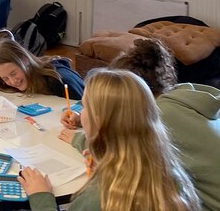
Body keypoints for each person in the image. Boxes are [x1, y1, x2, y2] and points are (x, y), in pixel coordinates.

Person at [60, 38, 220, 211]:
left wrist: (79, 138)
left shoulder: (159, 116)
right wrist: (87, 117)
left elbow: (120, 145)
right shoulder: (179, 100)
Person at [20, 69, 200, 211]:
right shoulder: (173, 175)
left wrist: (41, 197)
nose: (80, 113)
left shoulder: (97, 198)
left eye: (84, 106)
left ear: (99, 121)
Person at [0, 39, 84, 99]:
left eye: (13, 73)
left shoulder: (60, 79)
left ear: (25, 60)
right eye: (5, 79)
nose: (13, 81)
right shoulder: (7, 84)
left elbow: (88, 107)